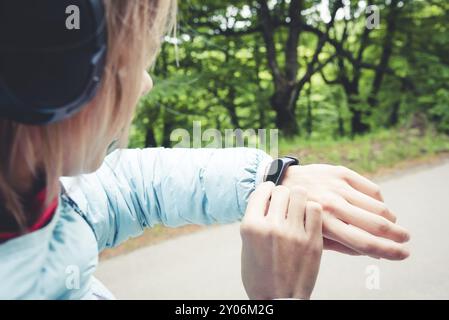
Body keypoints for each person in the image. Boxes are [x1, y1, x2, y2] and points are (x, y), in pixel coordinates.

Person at [0, 0, 410, 299]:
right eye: (129, 62)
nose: (145, 84)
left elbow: (134, 186)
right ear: (52, 80)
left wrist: (271, 179)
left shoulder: (37, 194)